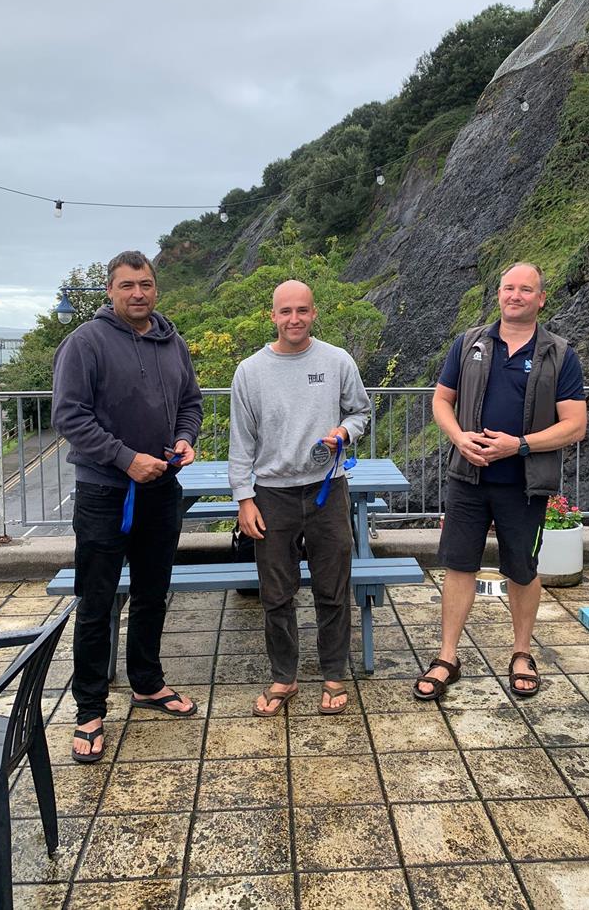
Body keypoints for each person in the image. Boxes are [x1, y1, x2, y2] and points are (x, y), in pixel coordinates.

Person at [52, 250, 203, 762]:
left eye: (145, 284)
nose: (137, 293)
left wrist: (184, 439)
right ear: (111, 292)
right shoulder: (85, 343)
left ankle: (147, 683)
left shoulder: (172, 341)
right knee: (96, 602)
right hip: (103, 493)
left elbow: (191, 403)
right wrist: (124, 459)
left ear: (155, 288)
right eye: (126, 286)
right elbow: (69, 416)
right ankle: (89, 709)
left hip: (162, 489)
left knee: (152, 594)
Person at [414, 262, 586, 702]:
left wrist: (520, 445)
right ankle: (448, 656)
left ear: (540, 299)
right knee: (458, 565)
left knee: (522, 569)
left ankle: (522, 653)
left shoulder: (560, 354)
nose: (516, 295)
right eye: (509, 288)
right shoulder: (468, 342)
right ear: (499, 295)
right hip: (467, 477)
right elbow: (441, 400)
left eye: (526, 289)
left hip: (525, 483)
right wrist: (458, 438)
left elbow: (574, 425)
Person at [229, 280, 371, 717]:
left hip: (328, 490)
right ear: (272, 316)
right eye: (285, 311)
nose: (294, 319)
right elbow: (241, 442)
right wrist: (244, 498)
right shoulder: (250, 372)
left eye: (302, 310)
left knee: (333, 588)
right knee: (276, 595)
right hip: (272, 495)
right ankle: (284, 677)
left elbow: (361, 411)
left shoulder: (336, 360)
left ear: (314, 313)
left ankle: (333, 675)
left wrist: (345, 432)